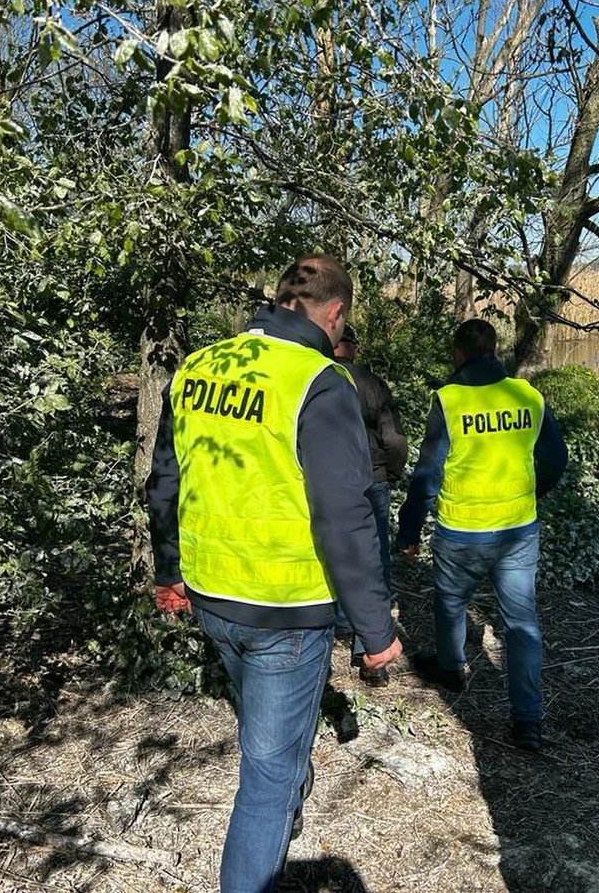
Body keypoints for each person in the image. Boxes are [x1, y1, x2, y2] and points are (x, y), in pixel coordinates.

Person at [146, 254, 402, 893]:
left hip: (213, 598)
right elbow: (344, 515)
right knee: (265, 775)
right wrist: (376, 632)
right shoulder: (317, 380)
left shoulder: (203, 365)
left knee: (269, 748)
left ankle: (289, 784)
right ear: (336, 313)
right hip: (286, 612)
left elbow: (166, 481)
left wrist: (169, 571)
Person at [395, 318, 567, 752]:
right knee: (522, 624)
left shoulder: (449, 401)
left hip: (462, 533)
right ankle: (528, 721)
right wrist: (532, 492)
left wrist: (409, 528)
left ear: (458, 354)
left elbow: (428, 473)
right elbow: (555, 458)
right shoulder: (527, 396)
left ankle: (452, 668)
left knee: (451, 602)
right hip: (517, 530)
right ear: (495, 350)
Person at [331, 322, 409, 687]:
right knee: (374, 560)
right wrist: (391, 473)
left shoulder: (315, 378)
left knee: (328, 552)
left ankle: (338, 627)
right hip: (371, 480)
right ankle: (368, 651)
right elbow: (393, 439)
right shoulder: (374, 385)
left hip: (325, 480)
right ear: (355, 347)